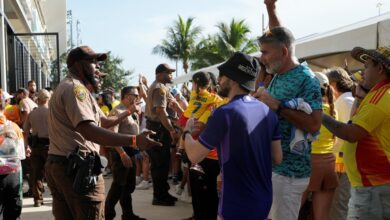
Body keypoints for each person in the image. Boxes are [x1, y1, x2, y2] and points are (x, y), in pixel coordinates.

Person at [45, 45, 160, 220]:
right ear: (77, 65)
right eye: (93, 61)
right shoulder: (76, 89)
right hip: (76, 168)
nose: (98, 67)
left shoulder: (72, 87)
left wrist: (127, 112)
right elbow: (88, 130)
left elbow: (104, 122)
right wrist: (134, 140)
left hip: (63, 164)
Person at [184, 52, 282, 219]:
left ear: (234, 79)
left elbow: (194, 156)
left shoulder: (225, 112)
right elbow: (277, 158)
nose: (219, 80)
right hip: (263, 199)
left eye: (222, 76)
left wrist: (186, 132)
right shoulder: (268, 112)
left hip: (236, 202)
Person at [255, 1, 323, 219]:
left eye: (265, 53)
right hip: (273, 169)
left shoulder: (306, 79)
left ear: (283, 52)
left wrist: (277, 106)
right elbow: (279, 34)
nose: (261, 58)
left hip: (288, 174)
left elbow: (314, 124)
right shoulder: (278, 72)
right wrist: (270, 9)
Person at [322, 46, 390, 219]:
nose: (362, 71)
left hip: (374, 188)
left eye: (366, 66)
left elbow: (351, 133)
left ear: (380, 68)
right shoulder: (379, 94)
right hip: (373, 186)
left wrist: (318, 114)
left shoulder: (381, 97)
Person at [301, 72, 339, 220]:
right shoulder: (332, 109)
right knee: (322, 216)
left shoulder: (305, 109)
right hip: (329, 164)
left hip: (307, 163)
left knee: (290, 211)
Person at [105, 86, 145, 220]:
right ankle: (107, 215)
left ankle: (128, 214)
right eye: (135, 95)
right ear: (127, 96)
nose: (137, 98)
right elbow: (112, 133)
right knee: (118, 185)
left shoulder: (131, 111)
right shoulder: (118, 111)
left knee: (128, 186)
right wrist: (122, 153)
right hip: (122, 151)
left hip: (131, 151)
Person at [324, 67, 355, 220]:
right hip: (339, 163)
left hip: (343, 165)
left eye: (326, 85)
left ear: (333, 84)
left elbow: (350, 135)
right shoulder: (344, 101)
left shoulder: (347, 102)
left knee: (339, 205)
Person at [0, 89, 26, 220]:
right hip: (11, 176)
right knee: (12, 213)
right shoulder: (14, 127)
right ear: (5, 104)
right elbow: (21, 155)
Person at [23, 89, 51, 207]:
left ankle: (37, 199)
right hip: (51, 146)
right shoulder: (51, 112)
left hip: (36, 146)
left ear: (38, 99)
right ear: (48, 99)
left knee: (36, 173)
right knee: (53, 172)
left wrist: (26, 146)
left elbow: (25, 131)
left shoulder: (32, 114)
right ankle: (57, 196)